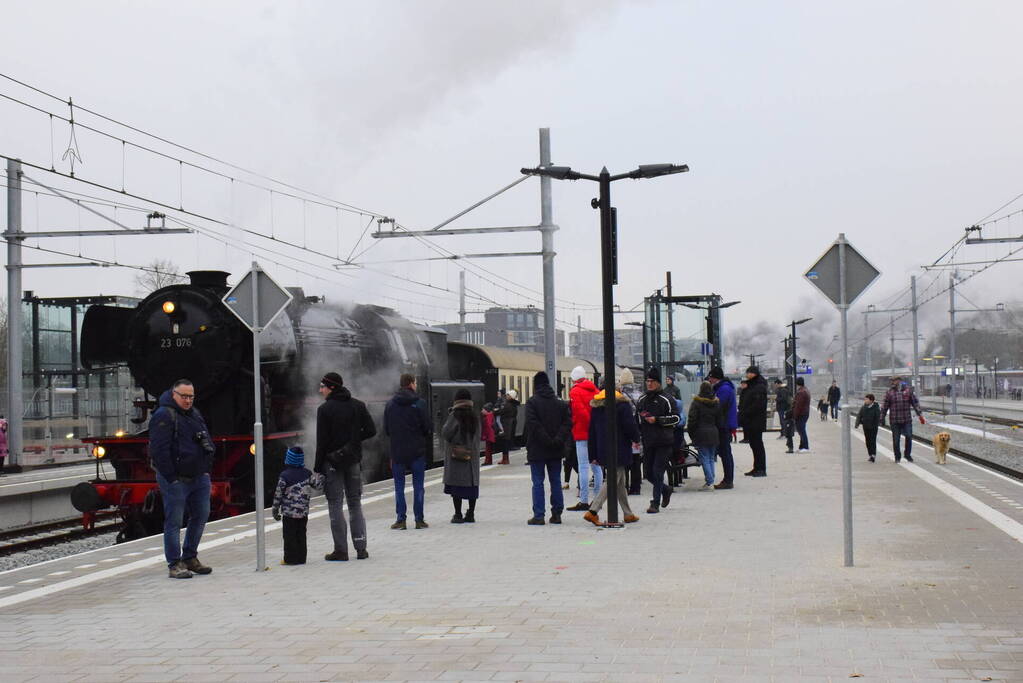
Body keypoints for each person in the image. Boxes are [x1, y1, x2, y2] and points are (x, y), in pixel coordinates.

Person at [148, 379, 215, 579]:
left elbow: (205, 439)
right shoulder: (163, 415)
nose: (187, 400)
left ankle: (190, 557)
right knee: (174, 521)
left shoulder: (194, 414)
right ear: (174, 394)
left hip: (199, 476)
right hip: (176, 478)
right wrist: (171, 477)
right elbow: (159, 451)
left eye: (191, 397)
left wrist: (206, 468)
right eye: (184, 396)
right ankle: (174, 563)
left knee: (201, 515)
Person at [314, 371, 376, 561]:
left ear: (331, 387)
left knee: (335, 504)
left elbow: (322, 442)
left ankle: (341, 550)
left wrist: (317, 468)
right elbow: (372, 430)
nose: (320, 390)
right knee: (355, 503)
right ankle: (361, 548)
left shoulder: (325, 410)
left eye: (322, 386)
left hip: (332, 463)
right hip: (353, 461)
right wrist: (354, 442)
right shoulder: (358, 405)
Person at [583, 380, 641, 526]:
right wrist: (636, 438)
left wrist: (593, 454)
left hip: (603, 448)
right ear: (618, 389)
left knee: (619, 482)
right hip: (619, 448)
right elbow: (629, 425)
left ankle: (628, 514)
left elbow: (592, 432)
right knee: (612, 480)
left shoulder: (596, 406)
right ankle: (593, 510)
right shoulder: (622, 405)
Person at [383, 373, 432, 530]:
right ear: (411, 384)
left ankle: (400, 520)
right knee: (418, 486)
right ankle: (419, 520)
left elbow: (386, 429)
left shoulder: (390, 404)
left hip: (397, 451)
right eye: (415, 383)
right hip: (417, 451)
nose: (416, 385)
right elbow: (427, 428)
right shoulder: (420, 403)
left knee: (399, 487)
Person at [524, 372, 572, 525]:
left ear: (535, 385)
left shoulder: (532, 402)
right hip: (555, 449)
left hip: (537, 449)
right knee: (556, 481)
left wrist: (545, 439)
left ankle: (539, 516)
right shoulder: (560, 402)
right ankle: (557, 514)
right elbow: (567, 423)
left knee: (538, 482)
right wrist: (557, 439)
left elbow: (533, 424)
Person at [636, 366, 680, 513]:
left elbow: (676, 418)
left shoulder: (666, 399)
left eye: (652, 381)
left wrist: (658, 420)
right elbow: (637, 419)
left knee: (657, 471)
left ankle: (655, 503)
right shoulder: (642, 399)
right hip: (648, 442)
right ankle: (666, 489)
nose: (649, 384)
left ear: (658, 383)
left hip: (664, 441)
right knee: (648, 473)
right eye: (647, 381)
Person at [271, 446, 324, 565]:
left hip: (289, 514)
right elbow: (318, 486)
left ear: (288, 459)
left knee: (289, 536)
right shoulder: (307, 473)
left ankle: (290, 559)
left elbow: (278, 494)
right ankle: (301, 558)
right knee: (301, 534)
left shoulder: (284, 476)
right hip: (303, 513)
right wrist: (322, 475)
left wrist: (275, 509)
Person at [442, 388, 481, 523]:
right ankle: (471, 514)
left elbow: (446, 433)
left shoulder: (455, 415)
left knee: (456, 486)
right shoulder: (474, 416)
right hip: (472, 457)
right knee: (471, 487)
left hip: (457, 456)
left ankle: (458, 514)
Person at [566, 365, 600, 511]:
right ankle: (598, 499)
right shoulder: (596, 391)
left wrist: (585, 427)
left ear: (573, 379)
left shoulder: (575, 392)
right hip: (596, 434)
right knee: (597, 466)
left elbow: (579, 413)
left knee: (583, 467)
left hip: (582, 433)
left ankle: (584, 500)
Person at [687, 381, 723, 491]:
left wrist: (691, 434)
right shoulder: (716, 402)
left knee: (704, 458)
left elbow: (692, 420)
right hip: (713, 432)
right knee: (711, 458)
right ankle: (711, 480)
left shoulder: (696, 403)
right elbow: (719, 419)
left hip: (701, 433)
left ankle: (709, 482)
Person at [881, 376, 924, 463]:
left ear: (899, 381)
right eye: (892, 381)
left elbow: (915, 403)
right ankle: (897, 456)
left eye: (894, 380)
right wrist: (882, 417)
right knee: (896, 439)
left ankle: (907, 455)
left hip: (906, 419)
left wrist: (920, 414)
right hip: (894, 420)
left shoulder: (908, 391)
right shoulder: (889, 392)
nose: (893, 382)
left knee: (909, 436)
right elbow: (884, 406)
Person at [706, 367, 737, 489]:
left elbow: (717, 406)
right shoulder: (724, 387)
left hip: (724, 425)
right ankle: (728, 479)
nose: (709, 380)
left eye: (710, 377)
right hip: (724, 424)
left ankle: (728, 480)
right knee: (725, 452)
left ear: (715, 377)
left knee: (725, 452)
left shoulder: (724, 389)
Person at [738, 366, 768, 477]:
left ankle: (761, 469)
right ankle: (756, 467)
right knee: (754, 445)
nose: (747, 375)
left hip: (756, 420)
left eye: (749, 373)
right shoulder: (752, 385)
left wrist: (746, 412)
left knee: (757, 444)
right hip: (750, 420)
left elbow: (758, 404)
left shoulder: (759, 386)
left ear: (754, 374)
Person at [854, 394, 881, 462]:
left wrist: (878, 423)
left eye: (866, 399)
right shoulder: (864, 407)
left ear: (871, 400)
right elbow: (859, 415)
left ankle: (873, 455)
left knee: (873, 440)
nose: (865, 400)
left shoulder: (876, 407)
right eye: (865, 399)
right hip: (865, 426)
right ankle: (870, 454)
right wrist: (857, 424)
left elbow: (878, 417)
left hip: (873, 427)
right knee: (867, 441)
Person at [496, 389, 520, 464]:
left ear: (511, 396)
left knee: (505, 442)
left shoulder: (508, 404)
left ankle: (505, 459)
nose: (506, 396)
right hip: (510, 424)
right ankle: (505, 459)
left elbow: (501, 411)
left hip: (507, 424)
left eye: (508, 395)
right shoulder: (514, 404)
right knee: (505, 441)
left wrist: (494, 411)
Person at [792, 377, 811, 452]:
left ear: (797, 383)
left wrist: (795, 415)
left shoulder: (801, 392)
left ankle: (805, 447)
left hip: (801, 414)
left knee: (802, 431)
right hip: (804, 413)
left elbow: (798, 405)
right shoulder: (805, 390)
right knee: (801, 430)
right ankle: (802, 447)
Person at [774, 379, 793, 450]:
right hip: (782, 408)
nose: (775, 386)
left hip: (783, 408)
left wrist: (777, 399)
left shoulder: (782, 390)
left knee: (783, 422)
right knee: (782, 422)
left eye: (775, 384)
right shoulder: (783, 389)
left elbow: (783, 399)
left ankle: (784, 434)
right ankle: (783, 434)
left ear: (778, 384)